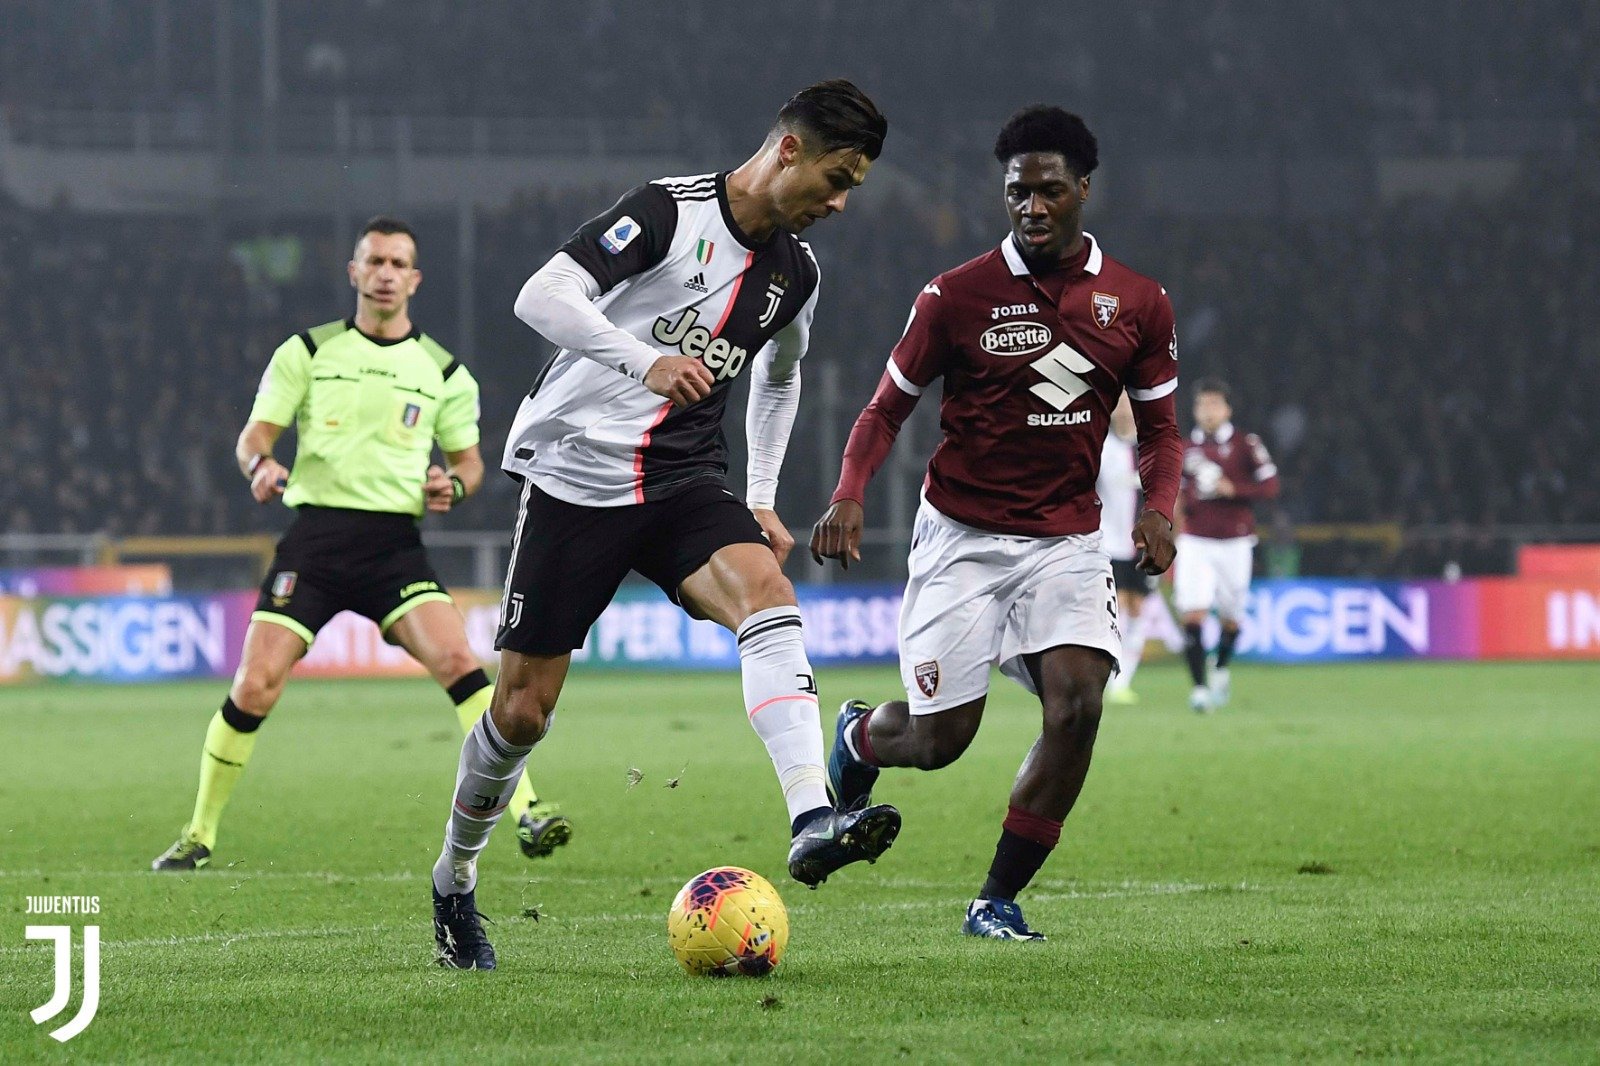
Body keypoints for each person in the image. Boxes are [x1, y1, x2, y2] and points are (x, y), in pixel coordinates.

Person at [429, 81, 900, 970]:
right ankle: (454, 879)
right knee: (522, 713)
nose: (840, 203)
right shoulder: (668, 213)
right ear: (789, 150)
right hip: (576, 477)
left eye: (853, 188)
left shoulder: (797, 275)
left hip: (683, 480)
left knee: (768, 595)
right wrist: (644, 360)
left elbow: (782, 375)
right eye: (837, 179)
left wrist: (761, 495)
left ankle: (811, 817)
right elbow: (541, 295)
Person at [811, 105, 1182, 941]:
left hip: (1067, 542)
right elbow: (885, 408)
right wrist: (849, 491)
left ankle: (995, 899)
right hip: (964, 539)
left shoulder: (1138, 302)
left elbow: (1161, 430)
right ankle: (861, 737)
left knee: (1078, 706)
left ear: (1083, 190)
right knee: (940, 740)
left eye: (1049, 190)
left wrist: (1159, 509)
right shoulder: (955, 295)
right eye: (1018, 192)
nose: (1032, 206)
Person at [151, 217, 570, 872]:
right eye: (374, 261)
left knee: (460, 664)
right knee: (255, 685)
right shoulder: (308, 352)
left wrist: (455, 486)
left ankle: (529, 810)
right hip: (314, 543)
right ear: (354, 272)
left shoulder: (444, 372)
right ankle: (198, 834)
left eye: (398, 263)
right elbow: (254, 437)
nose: (385, 274)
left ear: (415, 279)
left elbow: (469, 463)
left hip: (392, 547)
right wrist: (260, 465)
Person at [1175, 378, 1279, 712]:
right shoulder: (1183, 448)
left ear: (1227, 409)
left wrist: (1235, 490)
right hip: (1195, 540)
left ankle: (1220, 667)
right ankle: (1199, 689)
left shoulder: (1246, 444)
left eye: (1214, 404)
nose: (1207, 410)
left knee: (1232, 619)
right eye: (1202, 404)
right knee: (1193, 613)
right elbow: (1175, 491)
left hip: (1236, 542)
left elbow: (1271, 486)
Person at [1098, 394, 1156, 705]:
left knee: (1137, 611)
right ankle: (1108, 676)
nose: (1123, 410)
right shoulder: (1101, 447)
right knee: (1116, 609)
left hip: (1144, 544)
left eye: (1128, 403)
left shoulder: (1151, 447)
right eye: (1118, 403)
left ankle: (1123, 681)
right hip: (1108, 543)